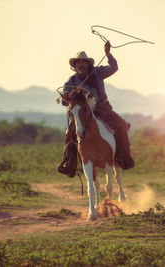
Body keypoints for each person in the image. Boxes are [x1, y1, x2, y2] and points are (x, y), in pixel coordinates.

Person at [58, 41, 135, 177]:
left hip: (103, 109)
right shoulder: (71, 82)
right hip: (83, 113)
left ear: (88, 64)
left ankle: (124, 157)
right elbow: (65, 101)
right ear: (75, 66)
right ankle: (69, 164)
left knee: (122, 125)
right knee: (69, 134)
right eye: (78, 63)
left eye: (83, 62)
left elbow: (114, 68)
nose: (81, 65)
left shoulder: (98, 72)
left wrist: (108, 54)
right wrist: (70, 97)